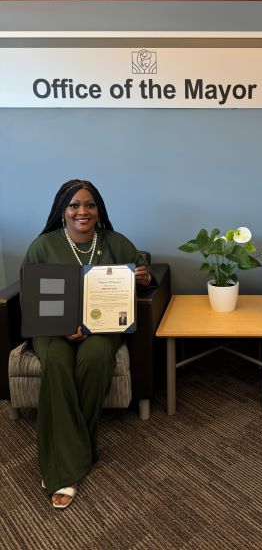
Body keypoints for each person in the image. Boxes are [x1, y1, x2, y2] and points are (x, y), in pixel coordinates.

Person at [22, 179, 152, 509]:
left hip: (102, 328)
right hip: (53, 330)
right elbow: (31, 295)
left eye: (90, 205)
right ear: (62, 211)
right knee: (57, 363)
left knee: (94, 360)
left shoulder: (115, 241)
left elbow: (143, 272)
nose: (83, 211)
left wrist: (143, 277)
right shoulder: (43, 245)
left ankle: (68, 457)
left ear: (99, 210)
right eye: (74, 205)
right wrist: (62, 327)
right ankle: (73, 461)